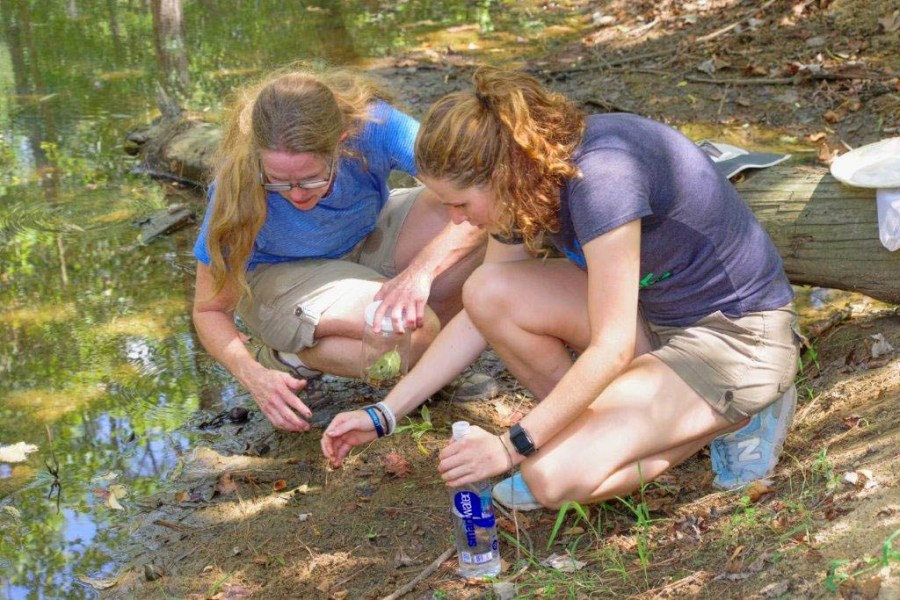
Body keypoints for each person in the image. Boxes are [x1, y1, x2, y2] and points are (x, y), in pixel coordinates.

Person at [321, 66, 800, 509]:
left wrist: (512, 446)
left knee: (549, 480)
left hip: (735, 337)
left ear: (501, 173)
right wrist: (385, 412)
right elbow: (480, 314)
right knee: (487, 288)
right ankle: (620, 427)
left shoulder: (603, 177)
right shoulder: (522, 185)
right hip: (653, 317)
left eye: (460, 203)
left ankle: (740, 411)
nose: (455, 220)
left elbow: (611, 347)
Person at [192, 66, 496, 433]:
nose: (296, 195)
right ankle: (286, 358)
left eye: (311, 178)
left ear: (342, 139)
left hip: (362, 236)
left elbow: (483, 190)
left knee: (476, 222)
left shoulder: (375, 126)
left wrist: (420, 273)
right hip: (280, 277)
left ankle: (428, 371)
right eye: (277, 181)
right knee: (413, 330)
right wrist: (251, 374)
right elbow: (209, 309)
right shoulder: (236, 185)